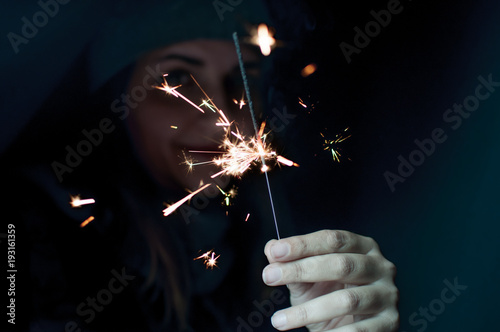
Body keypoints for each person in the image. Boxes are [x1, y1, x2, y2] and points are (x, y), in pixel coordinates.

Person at [2, 1, 398, 331]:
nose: (220, 119)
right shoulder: (28, 232)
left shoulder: (274, 227)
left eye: (239, 79)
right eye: (176, 78)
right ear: (117, 101)